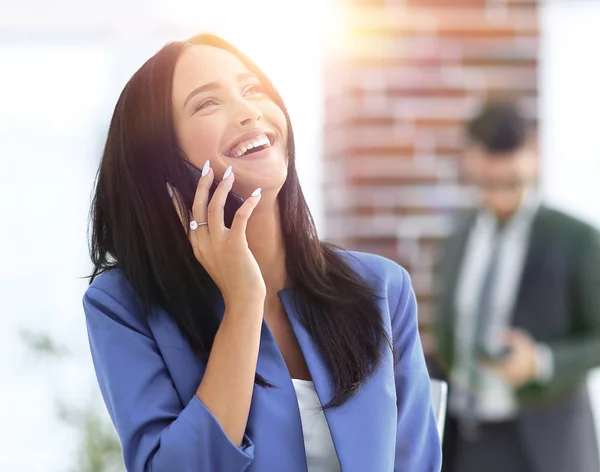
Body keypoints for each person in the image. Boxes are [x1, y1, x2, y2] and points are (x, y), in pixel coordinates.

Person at [83, 34, 441, 472]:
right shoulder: (124, 306)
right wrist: (244, 304)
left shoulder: (381, 288)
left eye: (252, 89)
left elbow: (416, 462)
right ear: (160, 155)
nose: (249, 110)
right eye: (208, 103)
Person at [431, 100, 600, 472]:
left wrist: (542, 362)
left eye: (512, 183)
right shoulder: (457, 238)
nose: (500, 197)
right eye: (488, 184)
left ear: (533, 158)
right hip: (467, 440)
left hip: (546, 446)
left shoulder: (578, 240)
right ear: (471, 162)